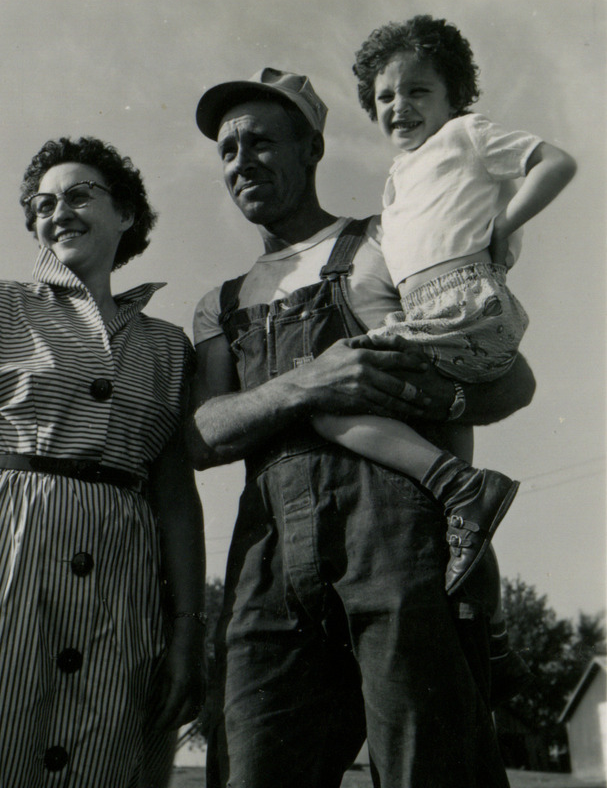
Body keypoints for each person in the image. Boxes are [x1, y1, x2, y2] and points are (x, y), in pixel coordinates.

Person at [189, 67, 536, 787]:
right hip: (268, 563)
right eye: (226, 150)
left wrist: (418, 397)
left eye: (261, 141)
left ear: (312, 149)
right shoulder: (217, 304)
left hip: (398, 543)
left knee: (429, 767)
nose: (241, 161)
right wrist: (308, 383)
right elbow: (203, 433)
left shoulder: (386, 244)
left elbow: (510, 380)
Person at [0, 136, 206, 788]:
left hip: (123, 591)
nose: (58, 211)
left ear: (126, 215)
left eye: (79, 194)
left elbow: (177, 504)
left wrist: (188, 637)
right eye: (42, 203)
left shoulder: (169, 347)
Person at [310, 15, 576, 593]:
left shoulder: (466, 136)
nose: (398, 105)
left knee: (329, 399)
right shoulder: (398, 179)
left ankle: (463, 491)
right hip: (438, 321)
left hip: (468, 308)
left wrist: (505, 223)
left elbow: (557, 162)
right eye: (384, 96)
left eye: (417, 90)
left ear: (454, 95)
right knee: (445, 448)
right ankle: (482, 597)